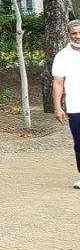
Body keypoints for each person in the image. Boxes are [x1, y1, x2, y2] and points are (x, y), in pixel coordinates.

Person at [51, 19, 80, 188]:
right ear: (68, 35)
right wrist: (58, 106)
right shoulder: (62, 56)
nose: (77, 36)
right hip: (75, 106)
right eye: (74, 33)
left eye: (79, 32)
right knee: (79, 144)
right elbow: (58, 83)